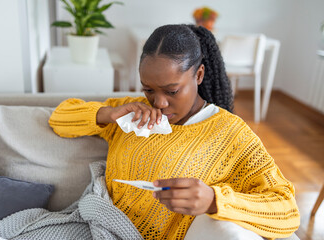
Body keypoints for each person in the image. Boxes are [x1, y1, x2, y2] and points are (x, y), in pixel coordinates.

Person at [48, 24, 300, 239]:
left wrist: (214, 200)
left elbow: (287, 210)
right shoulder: (131, 113)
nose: (159, 103)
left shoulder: (229, 134)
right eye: (148, 89)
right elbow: (59, 117)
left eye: (171, 91)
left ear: (199, 74)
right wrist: (107, 115)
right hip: (89, 224)